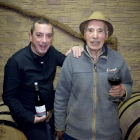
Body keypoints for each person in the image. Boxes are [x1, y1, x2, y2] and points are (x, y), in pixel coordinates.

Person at [54, 11, 133, 140]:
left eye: (100, 31)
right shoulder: (73, 59)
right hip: (75, 133)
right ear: (84, 34)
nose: (95, 36)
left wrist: (124, 90)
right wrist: (59, 124)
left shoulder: (117, 59)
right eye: (90, 30)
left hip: (109, 134)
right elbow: (61, 94)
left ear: (106, 35)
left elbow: (128, 84)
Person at [2, 18, 83, 140]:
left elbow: (69, 63)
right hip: (29, 114)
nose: (44, 41)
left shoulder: (52, 52)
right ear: (30, 36)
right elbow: (8, 96)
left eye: (48, 36)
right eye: (39, 35)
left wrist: (77, 49)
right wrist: (30, 117)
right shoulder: (16, 62)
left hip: (49, 110)